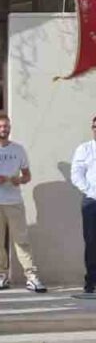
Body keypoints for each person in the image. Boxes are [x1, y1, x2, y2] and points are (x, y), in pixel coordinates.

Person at [0, 113, 46, 293]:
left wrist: (19, 179)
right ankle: (2, 275)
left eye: (6, 126)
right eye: (0, 126)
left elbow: (27, 176)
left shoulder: (19, 149)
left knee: (22, 240)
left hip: (14, 202)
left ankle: (31, 277)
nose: (4, 129)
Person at [69, 115, 96, 295]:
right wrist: (91, 191)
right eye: (95, 126)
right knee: (92, 242)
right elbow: (76, 175)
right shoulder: (85, 149)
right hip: (92, 201)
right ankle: (92, 281)